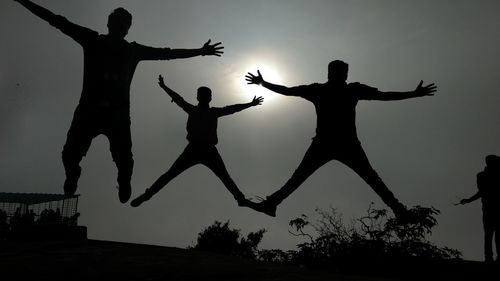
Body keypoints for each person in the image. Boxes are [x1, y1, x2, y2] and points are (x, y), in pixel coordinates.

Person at [13, 0, 224, 203]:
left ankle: (123, 180)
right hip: (89, 111)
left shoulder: (132, 50)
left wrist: (200, 51)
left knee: (125, 161)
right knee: (69, 155)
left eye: (125, 24)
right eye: (117, 22)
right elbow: (56, 20)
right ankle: (73, 172)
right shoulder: (93, 40)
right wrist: (23, 1)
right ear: (109, 24)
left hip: (117, 115)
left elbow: (167, 54)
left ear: (128, 29)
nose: (120, 27)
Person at [245, 60, 436, 222]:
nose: (341, 75)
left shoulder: (344, 90)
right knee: (302, 177)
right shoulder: (326, 90)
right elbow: (287, 91)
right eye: (339, 72)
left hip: (341, 144)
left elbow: (384, 96)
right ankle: (270, 204)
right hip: (330, 143)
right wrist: (263, 83)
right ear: (331, 73)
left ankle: (400, 211)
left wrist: (413, 93)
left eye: (343, 72)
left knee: (371, 178)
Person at [130, 75, 263, 208]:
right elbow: (178, 99)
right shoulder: (193, 110)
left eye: (206, 95)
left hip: (209, 151)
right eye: (202, 95)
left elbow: (232, 109)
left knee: (225, 177)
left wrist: (250, 104)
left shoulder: (213, 112)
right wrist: (164, 87)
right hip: (193, 150)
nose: (204, 97)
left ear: (210, 98)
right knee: (170, 174)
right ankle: (147, 195)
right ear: (198, 97)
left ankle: (241, 199)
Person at [459, 154, 500, 263]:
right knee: (490, 234)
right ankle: (489, 257)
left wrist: (468, 200)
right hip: (489, 209)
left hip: (492, 208)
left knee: (491, 234)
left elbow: (481, 192)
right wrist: (468, 200)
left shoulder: (484, 175)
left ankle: (491, 257)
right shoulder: (483, 176)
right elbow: (482, 192)